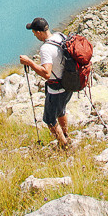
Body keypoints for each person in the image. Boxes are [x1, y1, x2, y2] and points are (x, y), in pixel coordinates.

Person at [18, 18, 74, 150]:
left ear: (39, 32)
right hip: (69, 83)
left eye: (34, 33)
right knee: (61, 111)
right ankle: (66, 135)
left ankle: (64, 146)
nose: (34, 35)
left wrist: (30, 63)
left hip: (57, 89)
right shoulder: (60, 36)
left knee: (49, 119)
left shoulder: (45, 49)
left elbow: (46, 73)